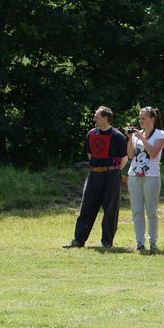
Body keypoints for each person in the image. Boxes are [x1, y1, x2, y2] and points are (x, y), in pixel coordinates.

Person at [64, 106, 128, 249]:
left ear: (105, 118)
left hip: (111, 176)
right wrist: (97, 167)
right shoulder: (91, 133)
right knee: (86, 207)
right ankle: (78, 240)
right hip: (94, 175)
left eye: (96, 116)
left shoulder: (117, 136)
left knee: (110, 209)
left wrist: (115, 171)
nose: (94, 119)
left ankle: (107, 242)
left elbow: (124, 157)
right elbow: (90, 154)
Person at [126, 106, 164, 252]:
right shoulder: (137, 134)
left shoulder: (160, 134)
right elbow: (130, 155)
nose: (141, 121)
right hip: (134, 175)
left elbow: (153, 154)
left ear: (152, 119)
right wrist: (130, 138)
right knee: (137, 210)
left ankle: (153, 242)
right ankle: (140, 242)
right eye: (140, 118)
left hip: (151, 176)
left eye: (143, 118)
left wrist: (142, 138)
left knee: (151, 210)